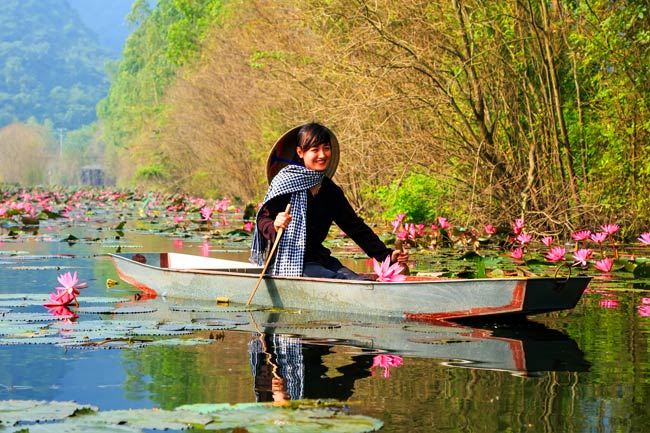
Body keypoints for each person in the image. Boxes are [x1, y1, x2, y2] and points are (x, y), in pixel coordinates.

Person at [250, 122, 408, 279]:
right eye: (315, 150)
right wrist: (275, 225)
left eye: (326, 148)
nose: (322, 155)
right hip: (288, 261)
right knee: (343, 282)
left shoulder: (329, 190)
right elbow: (263, 219)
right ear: (300, 152)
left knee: (358, 281)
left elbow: (355, 227)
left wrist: (387, 255)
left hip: (320, 259)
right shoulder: (285, 183)